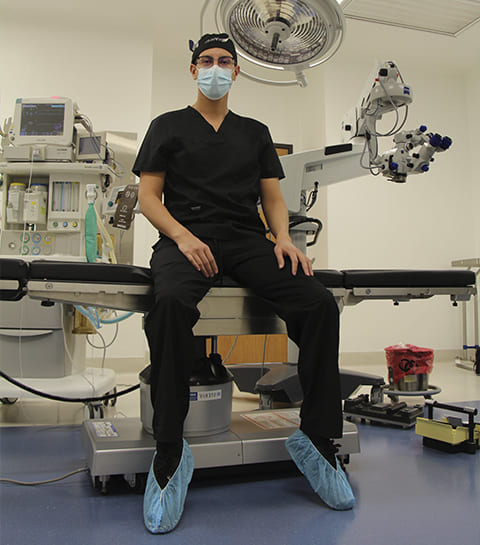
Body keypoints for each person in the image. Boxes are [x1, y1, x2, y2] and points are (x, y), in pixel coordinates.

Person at [132, 33, 355, 534]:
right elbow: (148, 197)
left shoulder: (254, 132)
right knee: (170, 305)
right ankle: (169, 449)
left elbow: (272, 197)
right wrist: (182, 237)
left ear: (236, 71)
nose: (215, 68)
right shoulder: (167, 125)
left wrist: (283, 239)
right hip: (186, 237)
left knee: (318, 303)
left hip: (245, 239)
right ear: (194, 70)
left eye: (224, 61)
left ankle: (317, 439)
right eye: (206, 60)